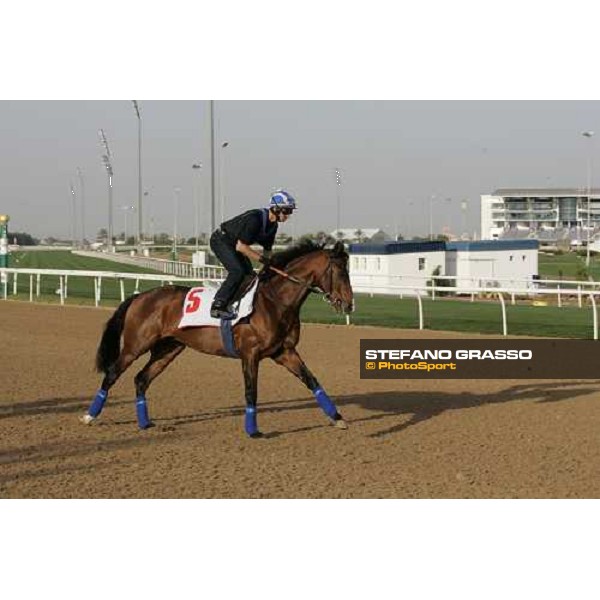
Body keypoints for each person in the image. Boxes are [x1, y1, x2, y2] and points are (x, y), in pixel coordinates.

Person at [209, 189, 297, 319]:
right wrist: (263, 260)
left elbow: (267, 251)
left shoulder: (273, 227)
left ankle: (235, 302)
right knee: (237, 272)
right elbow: (241, 247)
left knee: (250, 276)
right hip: (221, 241)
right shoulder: (255, 219)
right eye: (287, 211)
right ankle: (218, 305)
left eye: (290, 211)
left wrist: (268, 268)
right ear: (276, 209)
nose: (288, 215)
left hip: (235, 245)